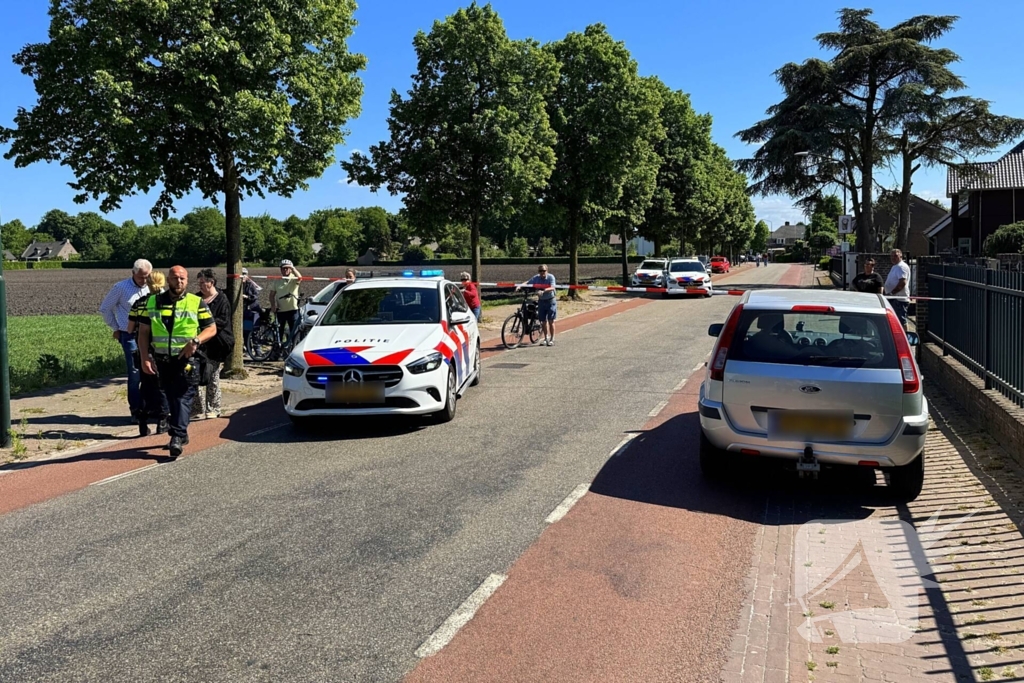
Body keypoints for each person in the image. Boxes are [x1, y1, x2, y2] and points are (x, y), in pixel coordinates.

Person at [137, 266, 217, 458]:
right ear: (168, 280)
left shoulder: (196, 302)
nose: (179, 281)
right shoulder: (153, 302)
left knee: (183, 396)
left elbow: (211, 328)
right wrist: (144, 357)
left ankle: (177, 437)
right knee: (171, 398)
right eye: (175, 278)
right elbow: (143, 333)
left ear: (187, 281)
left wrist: (195, 341)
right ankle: (181, 432)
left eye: (182, 278)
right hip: (162, 360)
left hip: (187, 360)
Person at [99, 259, 153, 422]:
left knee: (150, 372)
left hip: (151, 335)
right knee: (135, 372)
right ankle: (135, 410)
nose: (144, 281)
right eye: (141, 277)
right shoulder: (120, 288)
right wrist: (115, 328)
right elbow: (105, 308)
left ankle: (150, 407)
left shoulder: (153, 286)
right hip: (129, 335)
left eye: (147, 277)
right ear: (133, 273)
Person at [127, 271, 169, 436]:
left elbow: (130, 329)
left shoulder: (139, 303)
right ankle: (163, 420)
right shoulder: (168, 302)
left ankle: (142, 420)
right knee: (163, 386)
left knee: (145, 386)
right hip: (162, 349)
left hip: (143, 350)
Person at [192, 269, 234, 420]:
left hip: (217, 344)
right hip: (199, 343)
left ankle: (214, 407)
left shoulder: (222, 299)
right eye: (199, 283)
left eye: (203, 283)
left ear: (211, 282)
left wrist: (205, 328)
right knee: (194, 374)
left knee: (212, 375)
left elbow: (221, 322)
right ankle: (196, 408)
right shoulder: (196, 299)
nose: (200, 286)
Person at [519, 264, 557, 346]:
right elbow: (528, 282)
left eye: (544, 271)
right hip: (541, 301)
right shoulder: (536, 277)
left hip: (550, 301)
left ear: (547, 271)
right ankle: (546, 337)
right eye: (540, 271)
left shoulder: (551, 277)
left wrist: (543, 291)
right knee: (543, 321)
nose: (542, 272)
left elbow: (552, 287)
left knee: (551, 321)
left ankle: (552, 338)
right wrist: (520, 285)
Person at [269, 259, 303, 346]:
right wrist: (273, 306)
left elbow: (300, 277)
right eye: (283, 268)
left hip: (293, 310)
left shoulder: (293, 279)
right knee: (279, 333)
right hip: (281, 311)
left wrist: (293, 268)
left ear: (291, 269)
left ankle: (291, 350)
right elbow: (271, 295)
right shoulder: (277, 281)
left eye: (287, 268)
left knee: (294, 333)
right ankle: (278, 351)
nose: (285, 270)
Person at [885, 249, 912, 329]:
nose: (893, 258)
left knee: (901, 320)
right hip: (894, 298)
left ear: (901, 256)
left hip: (899, 299)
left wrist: (892, 293)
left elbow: (902, 282)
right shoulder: (895, 266)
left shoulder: (902, 267)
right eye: (892, 256)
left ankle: (905, 337)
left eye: (895, 256)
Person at [241, 267, 263, 345]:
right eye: (241, 274)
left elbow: (256, 295)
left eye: (244, 274)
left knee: (254, 330)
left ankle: (257, 349)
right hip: (242, 311)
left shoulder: (251, 284)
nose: (242, 276)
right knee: (245, 331)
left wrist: (247, 297)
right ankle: (247, 347)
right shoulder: (236, 286)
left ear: (247, 275)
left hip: (252, 309)